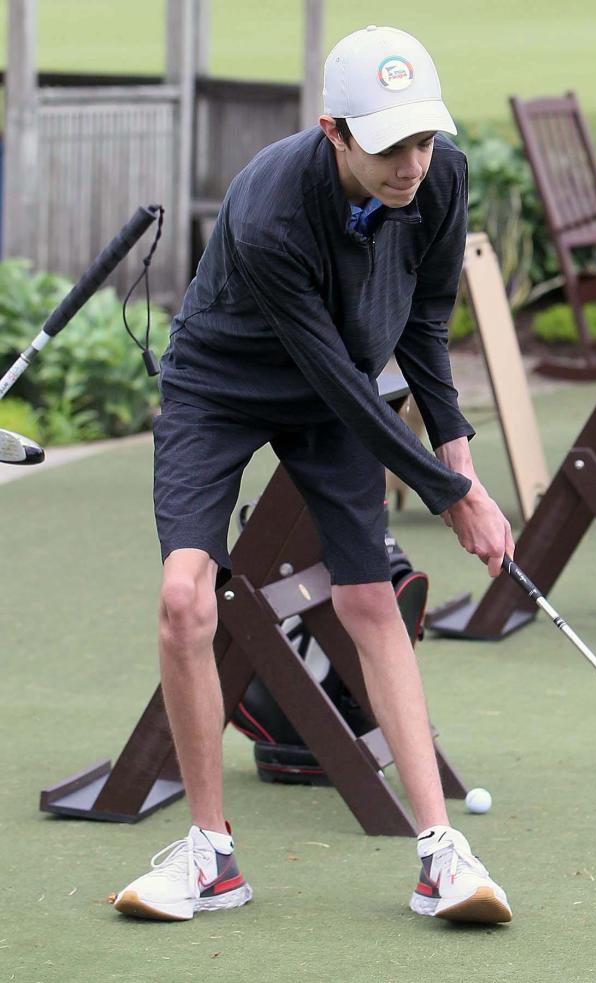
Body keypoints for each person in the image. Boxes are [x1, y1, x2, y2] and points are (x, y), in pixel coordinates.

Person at [113, 25, 515, 925]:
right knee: (186, 597)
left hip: (339, 384)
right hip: (222, 385)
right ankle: (209, 855)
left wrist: (457, 449)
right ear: (334, 130)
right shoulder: (268, 209)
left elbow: (425, 318)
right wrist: (452, 500)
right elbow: (335, 380)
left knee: (370, 601)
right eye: (388, 146)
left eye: (422, 138)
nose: (412, 163)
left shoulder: (438, 174)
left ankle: (441, 854)